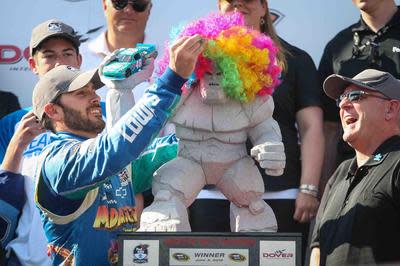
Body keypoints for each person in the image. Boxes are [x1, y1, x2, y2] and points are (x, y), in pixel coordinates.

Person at [33, 34, 204, 265]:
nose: (94, 97)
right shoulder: (57, 160)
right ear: (53, 111)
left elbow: (170, 150)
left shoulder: (114, 157)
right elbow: (112, 150)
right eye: (81, 94)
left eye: (93, 90)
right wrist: (171, 81)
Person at [188, 0, 324, 262]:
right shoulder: (200, 54)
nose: (239, 3)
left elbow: (311, 128)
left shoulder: (295, 61)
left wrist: (308, 189)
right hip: (211, 193)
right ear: (219, 7)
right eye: (230, 0)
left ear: (264, 7)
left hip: (278, 194)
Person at [0, 19, 83, 266]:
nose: (59, 63)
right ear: (33, 65)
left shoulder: (104, 115)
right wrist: (17, 145)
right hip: (26, 259)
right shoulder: (12, 123)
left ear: (79, 61)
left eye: (67, 54)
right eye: (49, 56)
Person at [310, 69, 400, 265]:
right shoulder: (340, 173)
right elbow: (317, 248)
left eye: (356, 96)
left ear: (391, 109)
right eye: (341, 98)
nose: (343, 104)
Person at [319, 0, 400, 192]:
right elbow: (329, 126)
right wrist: (323, 189)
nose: (347, 102)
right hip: (353, 175)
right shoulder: (338, 45)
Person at [0, 111, 45, 264]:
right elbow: (5, 192)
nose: (94, 96)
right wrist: (16, 146)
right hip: (23, 258)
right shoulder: (14, 122)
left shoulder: (103, 112)